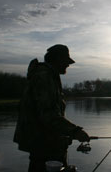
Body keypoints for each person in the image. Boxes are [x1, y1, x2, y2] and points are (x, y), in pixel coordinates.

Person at [13, 44, 90, 172]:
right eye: (66, 61)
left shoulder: (48, 75)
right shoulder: (44, 77)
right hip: (44, 146)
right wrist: (75, 131)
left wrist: (66, 134)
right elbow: (48, 115)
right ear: (57, 60)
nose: (68, 65)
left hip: (45, 143)